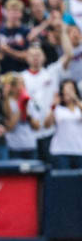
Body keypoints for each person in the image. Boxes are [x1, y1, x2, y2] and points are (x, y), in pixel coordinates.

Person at [21, 27, 72, 163]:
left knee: (51, 170)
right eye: (32, 55)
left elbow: (69, 55)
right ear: (26, 57)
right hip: (29, 132)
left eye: (38, 54)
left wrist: (62, 30)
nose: (35, 58)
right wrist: (30, 119)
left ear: (44, 57)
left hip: (50, 130)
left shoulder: (51, 73)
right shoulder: (21, 78)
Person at [45, 79, 82, 169]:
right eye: (65, 90)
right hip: (60, 151)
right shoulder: (58, 108)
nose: (68, 92)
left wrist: (76, 99)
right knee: (64, 180)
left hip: (79, 150)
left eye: (70, 89)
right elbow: (46, 125)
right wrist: (53, 106)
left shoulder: (79, 108)